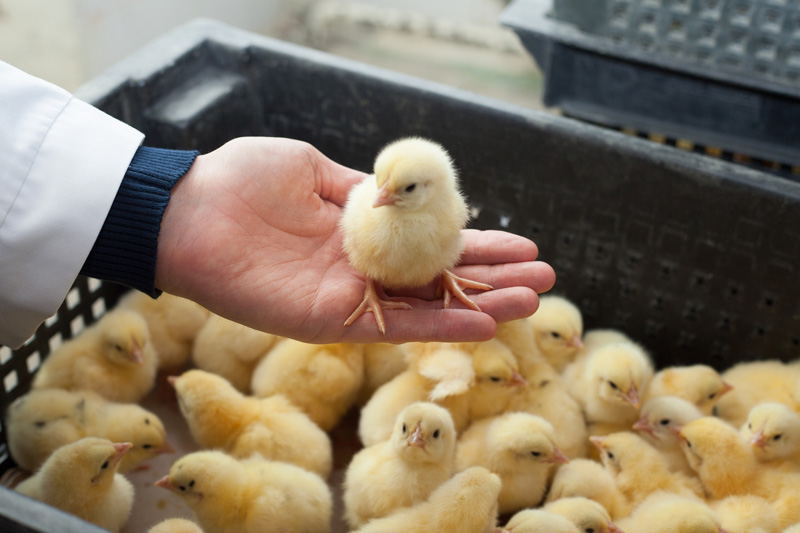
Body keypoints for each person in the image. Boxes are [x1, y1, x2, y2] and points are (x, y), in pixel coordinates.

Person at [0, 60, 555, 349]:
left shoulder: (441, 210)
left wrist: (165, 209)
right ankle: (383, 288)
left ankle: (442, 279)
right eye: (382, 184)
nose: (378, 196)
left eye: (400, 191)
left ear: (434, 190)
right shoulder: (377, 203)